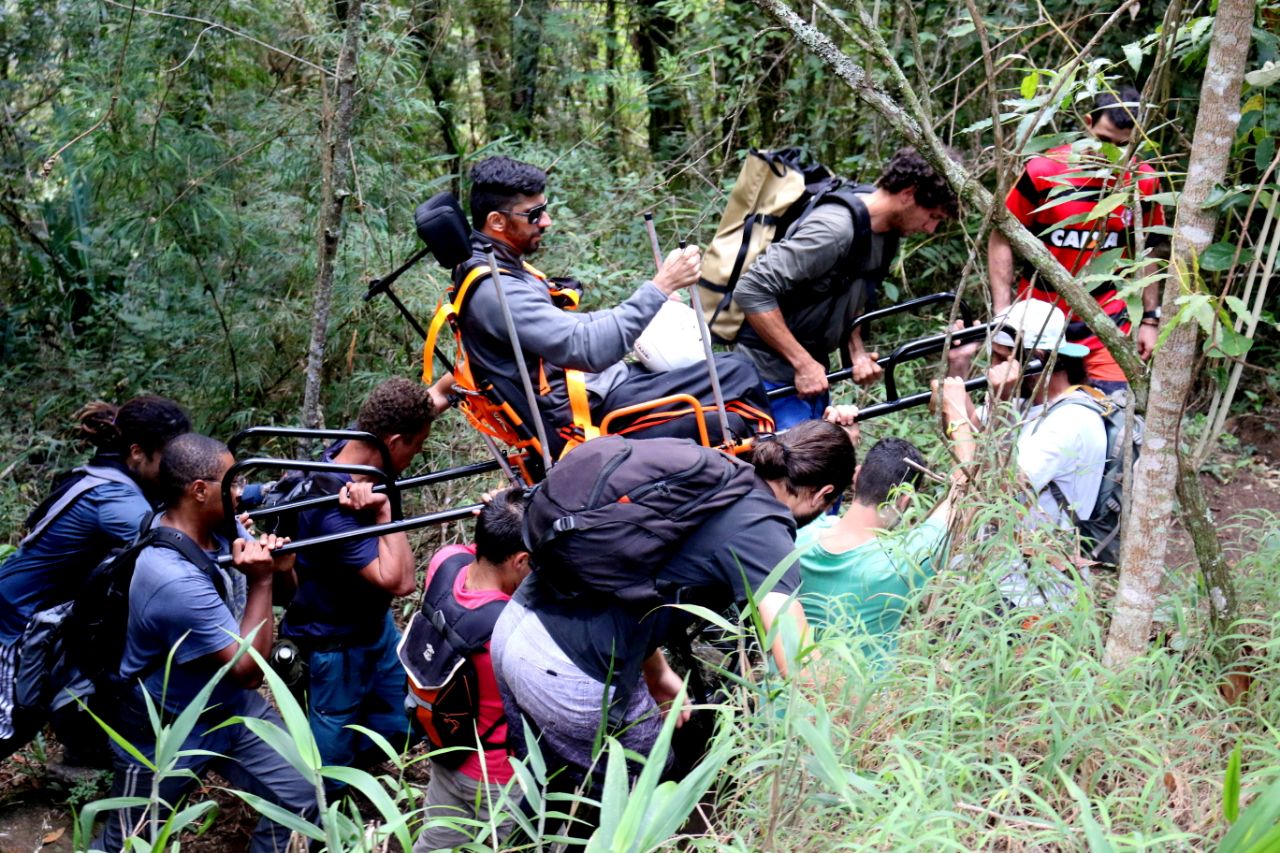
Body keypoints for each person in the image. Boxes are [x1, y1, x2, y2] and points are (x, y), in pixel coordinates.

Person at [489, 417, 857, 816]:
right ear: (824, 493)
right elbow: (801, 664)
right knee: (644, 805)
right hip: (567, 668)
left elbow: (633, 572)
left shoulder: (713, 474)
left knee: (546, 788)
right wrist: (861, 743)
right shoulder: (764, 531)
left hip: (516, 627)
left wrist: (657, 672)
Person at [439, 155, 773, 457]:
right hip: (583, 416)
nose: (547, 221)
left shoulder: (497, 267)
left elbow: (570, 330)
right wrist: (660, 287)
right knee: (737, 376)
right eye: (534, 214)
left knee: (728, 371)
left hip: (592, 388)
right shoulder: (497, 290)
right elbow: (588, 348)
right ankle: (775, 476)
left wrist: (649, 308)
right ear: (497, 222)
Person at [96, 433, 315, 852]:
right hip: (165, 730)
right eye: (231, 483)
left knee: (305, 799)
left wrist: (281, 570)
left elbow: (280, 600)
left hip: (228, 708)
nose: (239, 493)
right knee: (129, 843)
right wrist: (262, 579)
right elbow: (251, 671)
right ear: (199, 491)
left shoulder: (218, 526)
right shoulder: (171, 576)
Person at [0, 396, 190, 766]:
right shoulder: (112, 496)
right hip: (14, 622)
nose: (178, 467)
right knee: (14, 722)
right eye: (171, 457)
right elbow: (169, 537)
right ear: (137, 453)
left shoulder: (108, 476)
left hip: (31, 615)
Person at [732, 147, 959, 428]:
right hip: (766, 372)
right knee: (787, 466)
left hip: (812, 371)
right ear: (908, 194)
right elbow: (751, 289)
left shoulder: (884, 232)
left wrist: (856, 351)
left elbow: (847, 289)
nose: (930, 229)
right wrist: (802, 363)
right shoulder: (834, 230)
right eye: (933, 216)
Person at [279, 377, 435, 771]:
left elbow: (434, 398)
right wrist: (384, 514)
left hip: (374, 629)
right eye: (415, 447)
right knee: (327, 766)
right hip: (333, 648)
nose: (414, 455)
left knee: (403, 722)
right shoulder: (331, 506)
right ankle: (319, 819)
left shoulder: (355, 446)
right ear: (394, 442)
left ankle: (360, 775)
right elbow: (400, 582)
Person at [988, 87, 1165, 394]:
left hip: (1107, 321)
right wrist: (1003, 315)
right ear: (1087, 124)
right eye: (1103, 140)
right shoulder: (1043, 171)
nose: (1110, 154)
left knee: (1113, 416)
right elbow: (1001, 235)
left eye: (1123, 147)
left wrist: (1150, 320)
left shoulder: (1143, 181)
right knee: (1026, 416)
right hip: (1038, 317)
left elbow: (1147, 249)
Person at [941, 300, 1106, 608]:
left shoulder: (1071, 421)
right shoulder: (1023, 398)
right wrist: (958, 369)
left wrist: (1000, 402)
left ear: (1038, 359)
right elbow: (971, 436)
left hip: (1033, 595)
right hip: (995, 579)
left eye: (1003, 360)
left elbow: (996, 491)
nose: (993, 370)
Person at [413, 489, 529, 853]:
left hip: (448, 753)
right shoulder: (510, 628)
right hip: (500, 778)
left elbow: (475, 554)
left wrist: (500, 515)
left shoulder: (443, 563)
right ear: (521, 560)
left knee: (435, 843)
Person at [797, 434, 955, 654]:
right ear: (904, 500)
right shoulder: (901, 562)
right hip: (859, 688)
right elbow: (957, 502)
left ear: (856, 475)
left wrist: (844, 438)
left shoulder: (798, 533)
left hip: (785, 682)